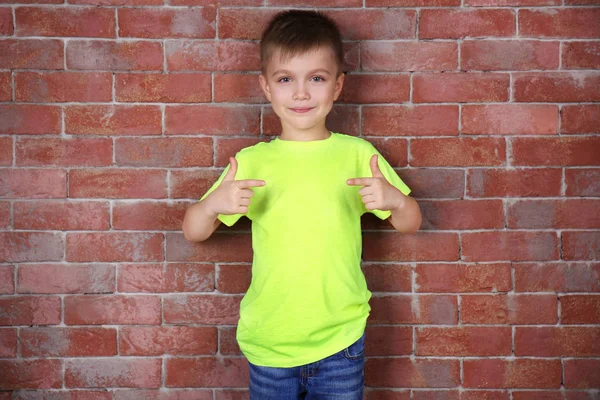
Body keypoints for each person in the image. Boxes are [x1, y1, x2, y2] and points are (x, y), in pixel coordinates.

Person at [181, 9, 422, 400]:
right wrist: (212, 206)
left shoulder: (358, 155)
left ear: (337, 87)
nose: (301, 93)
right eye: (285, 79)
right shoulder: (252, 161)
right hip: (271, 343)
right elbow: (193, 230)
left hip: (340, 341)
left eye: (316, 78)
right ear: (266, 87)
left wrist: (395, 200)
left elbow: (411, 221)